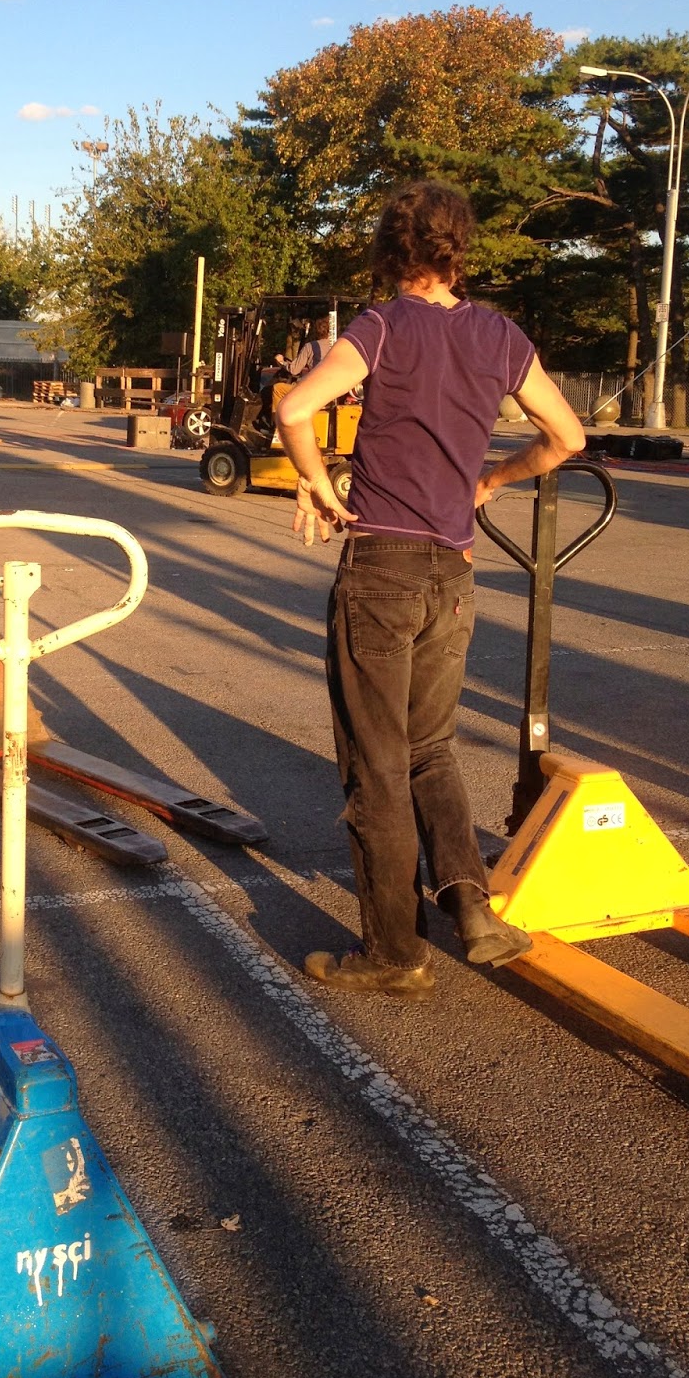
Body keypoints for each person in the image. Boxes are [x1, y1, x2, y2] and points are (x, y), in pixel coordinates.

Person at [276, 181, 585, 997]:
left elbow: (297, 405)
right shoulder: (499, 335)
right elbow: (568, 437)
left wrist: (314, 483)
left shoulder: (381, 325)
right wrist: (493, 481)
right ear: (459, 250)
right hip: (453, 573)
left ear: (392, 249)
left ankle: (394, 954)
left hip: (381, 566)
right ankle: (472, 909)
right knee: (430, 749)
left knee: (376, 767)